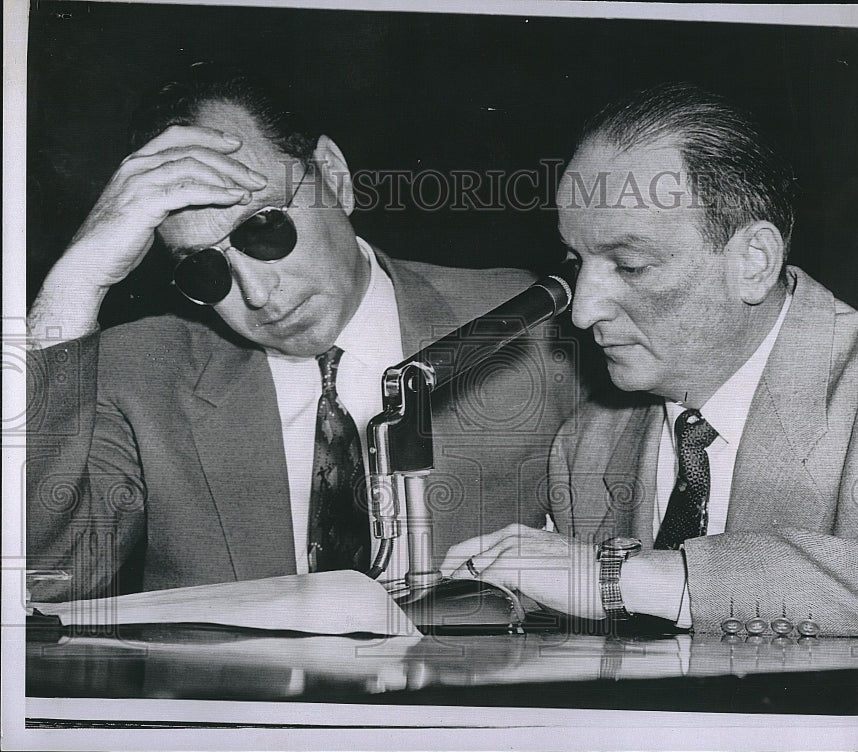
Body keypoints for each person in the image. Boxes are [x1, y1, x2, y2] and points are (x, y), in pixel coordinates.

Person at [26, 63, 578, 602]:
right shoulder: (138, 371)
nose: (258, 295)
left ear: (333, 176)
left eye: (265, 229)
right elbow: (45, 576)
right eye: (203, 270)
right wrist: (73, 283)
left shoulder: (524, 325)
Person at [443, 82, 858, 636]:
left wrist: (624, 579)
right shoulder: (586, 446)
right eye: (576, 262)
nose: (583, 312)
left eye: (631, 264)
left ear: (754, 262)